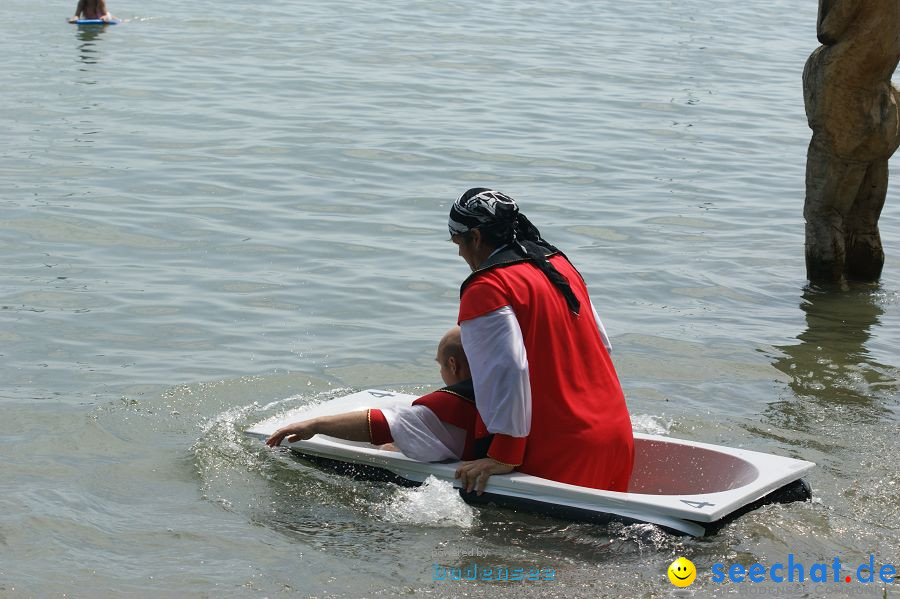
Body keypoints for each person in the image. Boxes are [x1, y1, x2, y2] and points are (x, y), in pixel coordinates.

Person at [448, 188, 634, 496]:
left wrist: (503, 454)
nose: (460, 255)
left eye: (459, 244)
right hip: (616, 436)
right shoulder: (559, 264)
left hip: (562, 451)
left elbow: (508, 368)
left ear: (476, 237)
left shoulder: (487, 286)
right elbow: (603, 345)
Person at [265, 327, 488, 462]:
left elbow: (380, 425)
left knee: (390, 445)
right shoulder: (507, 393)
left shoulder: (448, 408)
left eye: (440, 365)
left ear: (453, 365)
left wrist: (314, 425)